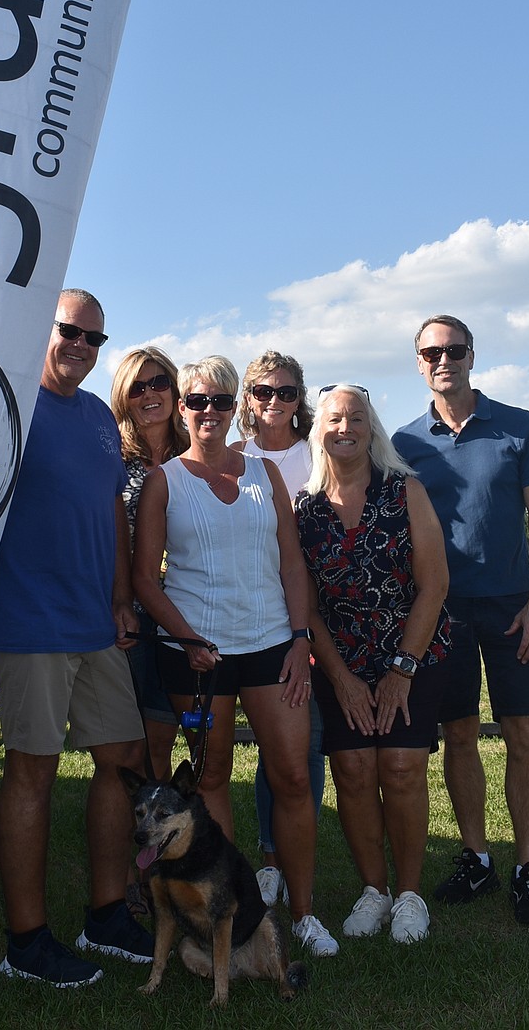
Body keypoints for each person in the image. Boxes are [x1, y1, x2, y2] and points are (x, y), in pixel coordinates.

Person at [0, 289, 153, 990]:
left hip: (95, 622)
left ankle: (105, 915)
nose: (80, 346)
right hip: (28, 618)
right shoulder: (7, 405)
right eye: (69, 331)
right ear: (42, 329)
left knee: (123, 758)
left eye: (94, 339)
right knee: (34, 772)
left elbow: (111, 512)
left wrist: (121, 600)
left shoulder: (101, 419)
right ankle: (25, 943)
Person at [132, 356, 339, 957]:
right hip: (197, 657)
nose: (209, 412)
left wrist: (300, 639)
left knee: (293, 775)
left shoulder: (264, 473)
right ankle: (221, 916)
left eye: (221, 401)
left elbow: (292, 563)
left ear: (235, 408)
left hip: (273, 645)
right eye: (197, 401)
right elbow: (145, 579)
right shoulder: (165, 481)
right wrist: (187, 639)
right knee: (212, 778)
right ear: (182, 408)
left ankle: (304, 913)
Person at [393, 314, 529, 926]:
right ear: (418, 363)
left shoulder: (520, 426)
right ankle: (477, 857)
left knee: (524, 734)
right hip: (442, 612)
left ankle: (528, 867)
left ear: (471, 355)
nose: (444, 360)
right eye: (432, 352)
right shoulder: (404, 443)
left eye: (455, 349)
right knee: (459, 735)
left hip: (513, 608)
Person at [295, 384, 451, 944]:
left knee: (402, 770)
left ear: (371, 428)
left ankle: (409, 895)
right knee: (354, 772)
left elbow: (435, 585)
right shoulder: (305, 508)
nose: (345, 428)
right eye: (334, 419)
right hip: (340, 661)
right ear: (318, 431)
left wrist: (401, 671)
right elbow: (307, 605)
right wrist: (340, 679)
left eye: (356, 418)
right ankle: (374, 890)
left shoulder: (405, 490)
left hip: (413, 653)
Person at [230, 350, 325, 908]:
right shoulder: (232, 456)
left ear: (299, 400)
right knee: (274, 747)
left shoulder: (316, 454)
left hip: (317, 616)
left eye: (286, 392)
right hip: (255, 619)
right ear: (247, 398)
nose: (274, 401)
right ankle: (271, 860)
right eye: (263, 391)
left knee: (304, 747)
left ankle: (297, 859)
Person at [110, 346, 188, 781]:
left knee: (162, 737)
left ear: (175, 390)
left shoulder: (196, 454)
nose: (149, 394)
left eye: (159, 382)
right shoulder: (111, 459)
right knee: (129, 741)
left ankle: (160, 818)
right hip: (131, 614)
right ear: (123, 397)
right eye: (137, 387)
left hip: (185, 610)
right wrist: (118, 601)